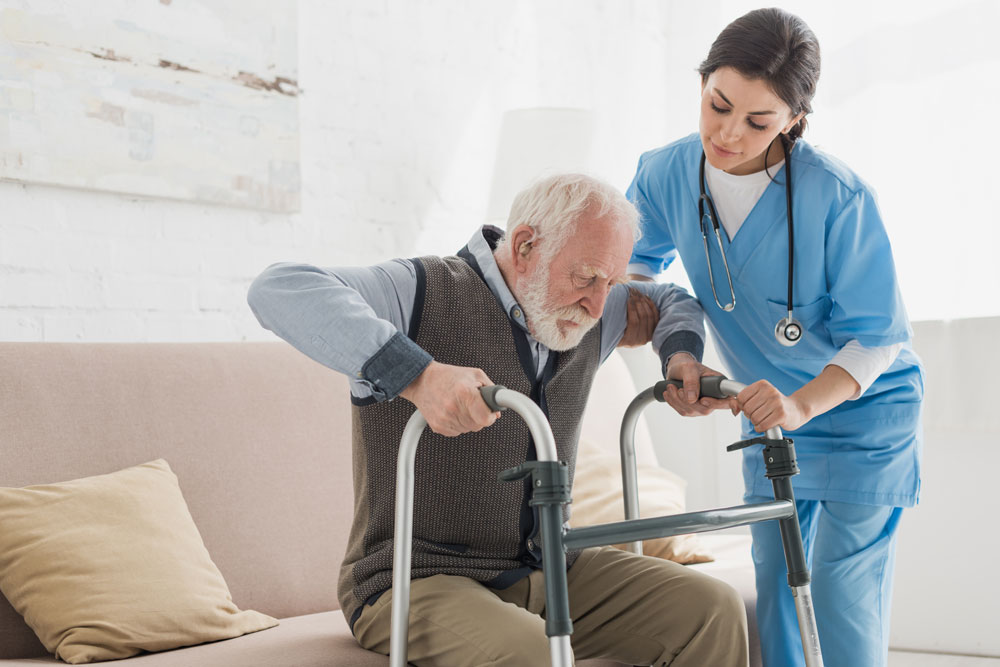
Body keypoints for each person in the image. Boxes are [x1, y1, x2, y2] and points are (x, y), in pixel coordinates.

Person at [248, 173, 748, 667]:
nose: (599, 303)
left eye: (611, 282)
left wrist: (680, 357)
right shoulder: (420, 291)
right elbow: (279, 287)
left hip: (548, 565)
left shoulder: (588, 313)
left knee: (712, 609)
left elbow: (668, 299)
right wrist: (419, 376)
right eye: (586, 277)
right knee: (531, 650)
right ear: (526, 245)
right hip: (414, 579)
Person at [624, 8, 924, 667]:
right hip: (767, 415)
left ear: (794, 119)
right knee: (778, 585)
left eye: (758, 122)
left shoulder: (839, 196)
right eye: (717, 105)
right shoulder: (665, 173)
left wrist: (801, 404)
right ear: (702, 82)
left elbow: (876, 339)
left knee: (841, 592)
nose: (728, 133)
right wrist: (680, 354)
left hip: (862, 413)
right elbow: (632, 269)